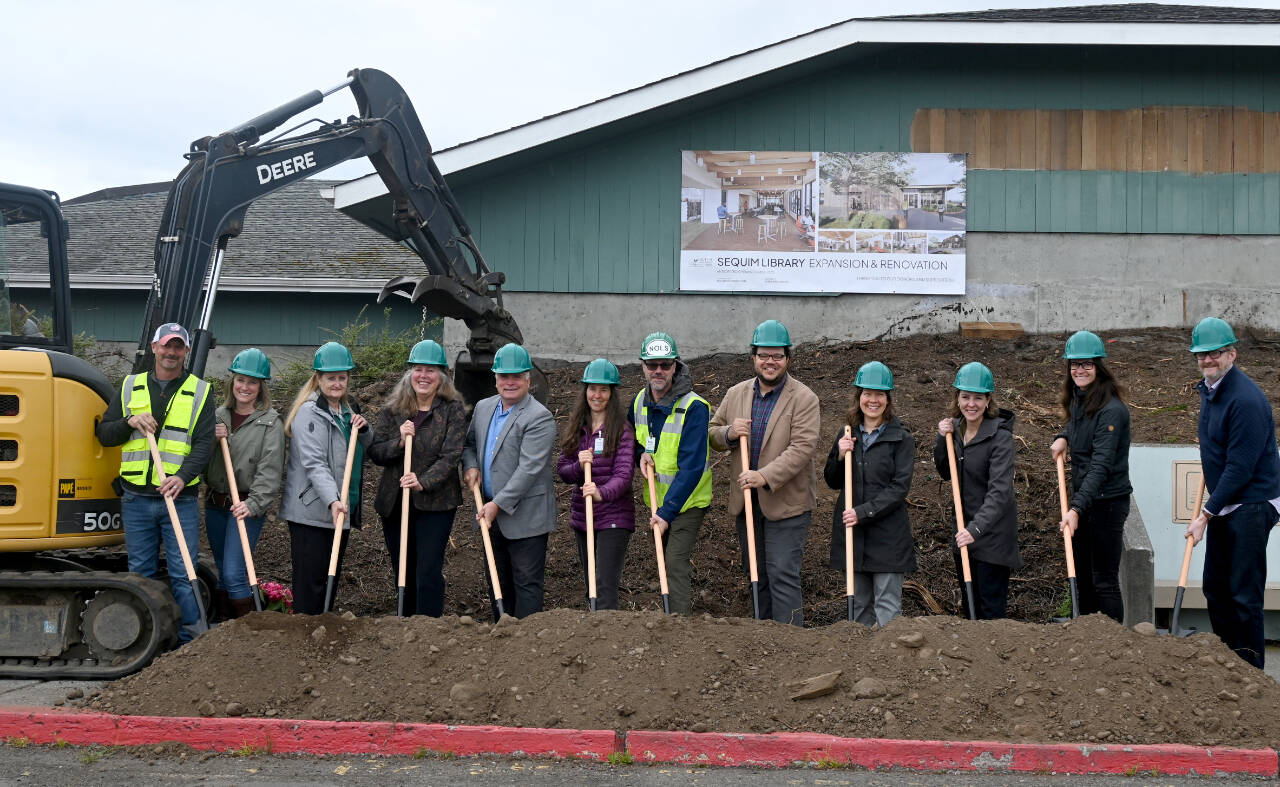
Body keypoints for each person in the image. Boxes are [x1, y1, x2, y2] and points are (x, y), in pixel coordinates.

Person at [96, 322, 214, 642]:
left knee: (184, 573)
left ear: (186, 351)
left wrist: (182, 477)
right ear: (154, 348)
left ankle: (194, 642)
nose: (171, 352)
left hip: (180, 500)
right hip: (136, 500)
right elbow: (105, 435)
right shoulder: (129, 386)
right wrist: (129, 421)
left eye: (178, 347)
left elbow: (204, 443)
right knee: (140, 575)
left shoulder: (201, 392)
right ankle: (144, 642)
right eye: (166, 345)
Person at [709, 320, 820, 626]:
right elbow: (713, 432)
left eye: (777, 356)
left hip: (787, 503)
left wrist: (765, 476)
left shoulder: (804, 398)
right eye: (763, 355)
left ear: (788, 359)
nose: (770, 362)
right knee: (756, 574)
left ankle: (789, 642)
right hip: (748, 504)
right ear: (753, 357)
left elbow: (802, 449)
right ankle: (763, 640)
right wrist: (731, 432)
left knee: (782, 572)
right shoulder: (735, 394)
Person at [1185, 318, 1280, 669]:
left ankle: (1251, 673)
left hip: (1252, 503)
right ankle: (1228, 667)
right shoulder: (1211, 391)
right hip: (1228, 503)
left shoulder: (1246, 400)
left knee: (1243, 594)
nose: (1207, 360)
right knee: (1216, 589)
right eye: (1202, 355)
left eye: (1215, 354)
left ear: (1232, 354)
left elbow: (1240, 468)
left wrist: (1206, 515)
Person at [368, 340, 466, 617]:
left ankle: (427, 627)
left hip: (435, 503)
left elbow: (451, 455)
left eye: (430, 370)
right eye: (418, 369)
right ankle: (405, 622)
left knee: (427, 567)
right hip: (395, 502)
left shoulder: (452, 409)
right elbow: (376, 451)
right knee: (403, 566)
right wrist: (399, 442)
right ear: (410, 374)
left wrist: (423, 481)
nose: (423, 376)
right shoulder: (394, 409)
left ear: (441, 376)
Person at [462, 343, 556, 620]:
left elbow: (528, 470)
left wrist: (498, 505)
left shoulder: (539, 417)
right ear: (495, 378)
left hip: (525, 515)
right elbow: (469, 445)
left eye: (516, 376)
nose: (509, 382)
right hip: (489, 511)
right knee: (497, 579)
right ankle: (502, 637)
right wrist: (470, 467)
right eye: (504, 376)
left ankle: (526, 646)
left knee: (526, 582)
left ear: (528, 379)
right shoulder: (483, 407)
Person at [280, 342, 370, 615]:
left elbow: (363, 451)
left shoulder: (346, 410)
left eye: (342, 377)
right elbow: (314, 464)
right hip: (313, 512)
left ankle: (321, 635)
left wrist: (364, 430)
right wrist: (333, 501)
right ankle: (305, 639)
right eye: (331, 377)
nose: (337, 383)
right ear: (318, 378)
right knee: (312, 584)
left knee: (327, 581)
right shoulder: (310, 412)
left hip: (339, 510)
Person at [824, 361, 915, 628]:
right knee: (859, 606)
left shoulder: (901, 439)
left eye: (879, 394)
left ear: (888, 399)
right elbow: (831, 480)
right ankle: (858, 666)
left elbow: (899, 488)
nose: (872, 400)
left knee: (887, 606)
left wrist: (862, 513)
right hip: (854, 536)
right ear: (858, 397)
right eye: (867, 394)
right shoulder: (848, 433)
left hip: (888, 537)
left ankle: (887, 667)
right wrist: (840, 455)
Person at [1050, 330, 1131, 624]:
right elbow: (1075, 425)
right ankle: (1084, 637)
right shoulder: (1079, 398)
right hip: (1085, 500)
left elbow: (1101, 465)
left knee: (1103, 578)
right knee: (1081, 574)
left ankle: (1110, 641)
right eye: (1074, 365)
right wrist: (1063, 437)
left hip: (1108, 502)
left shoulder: (1112, 411)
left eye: (1086, 364)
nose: (1079, 370)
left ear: (1099, 367)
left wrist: (1075, 509)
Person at [629, 331, 712, 615]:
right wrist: (640, 453)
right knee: (663, 559)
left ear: (676, 365)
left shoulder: (695, 407)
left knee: (675, 561)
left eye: (665, 364)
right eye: (652, 365)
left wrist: (666, 514)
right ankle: (670, 618)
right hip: (656, 499)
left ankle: (679, 627)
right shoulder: (639, 400)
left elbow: (692, 467)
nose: (659, 371)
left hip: (687, 502)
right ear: (643, 366)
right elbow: (633, 439)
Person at [933, 362, 1021, 620]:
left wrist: (976, 529)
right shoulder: (956, 430)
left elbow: (1000, 492)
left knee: (989, 611)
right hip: (964, 531)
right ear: (957, 398)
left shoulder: (1000, 438)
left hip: (992, 536)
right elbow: (945, 472)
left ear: (988, 400)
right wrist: (942, 438)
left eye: (978, 398)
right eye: (965, 397)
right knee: (970, 608)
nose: (971, 404)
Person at [203, 348, 284, 619]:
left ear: (261, 387)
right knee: (223, 571)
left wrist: (254, 504)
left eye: (252, 382)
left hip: (246, 506)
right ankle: (224, 635)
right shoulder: (216, 415)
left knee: (234, 572)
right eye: (241, 380)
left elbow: (270, 471)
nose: (245, 387)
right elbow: (197, 458)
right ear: (232, 382)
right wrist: (209, 440)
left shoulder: (270, 422)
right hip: (216, 503)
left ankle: (247, 630)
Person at [556, 358, 637, 610]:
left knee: (604, 584)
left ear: (611, 393)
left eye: (603, 389)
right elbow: (563, 472)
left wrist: (600, 493)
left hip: (614, 518)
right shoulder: (577, 428)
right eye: (592, 388)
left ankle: (608, 636)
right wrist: (579, 466)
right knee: (590, 583)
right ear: (585, 391)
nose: (597, 395)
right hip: (584, 517)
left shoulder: (622, 429)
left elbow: (624, 476)